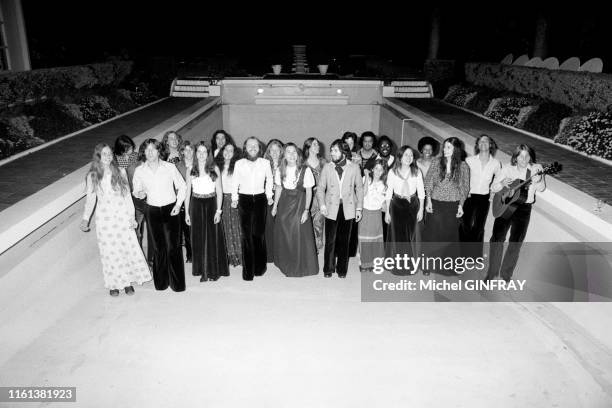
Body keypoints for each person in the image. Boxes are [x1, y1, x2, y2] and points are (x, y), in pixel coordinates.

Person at [81, 143, 151, 296]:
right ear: (98, 156)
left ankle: (126, 282)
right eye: (104, 154)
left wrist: (131, 217)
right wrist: (85, 219)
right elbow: (90, 199)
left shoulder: (120, 171)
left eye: (109, 154)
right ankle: (114, 283)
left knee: (125, 248)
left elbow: (127, 196)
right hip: (105, 220)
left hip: (121, 216)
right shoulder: (92, 176)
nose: (107, 156)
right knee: (110, 251)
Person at [132, 139, 187, 292]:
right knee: (158, 247)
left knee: (173, 247)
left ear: (159, 151)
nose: (150, 152)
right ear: (144, 152)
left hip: (171, 209)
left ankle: (177, 284)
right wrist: (140, 193)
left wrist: (178, 205)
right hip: (152, 210)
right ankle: (161, 283)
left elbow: (182, 186)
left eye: (153, 149)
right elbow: (137, 190)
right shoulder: (140, 170)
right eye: (147, 150)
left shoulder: (169, 167)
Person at [485, 144, 546, 282]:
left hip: (523, 209)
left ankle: (506, 274)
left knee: (516, 242)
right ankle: (492, 272)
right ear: (515, 157)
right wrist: (501, 183)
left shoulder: (536, 170)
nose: (524, 159)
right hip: (505, 206)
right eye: (520, 156)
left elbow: (541, 188)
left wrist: (539, 178)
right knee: (497, 239)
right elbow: (493, 187)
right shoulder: (507, 168)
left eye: (527, 155)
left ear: (531, 157)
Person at [317, 139, 364, 278]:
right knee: (330, 240)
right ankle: (328, 268)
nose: (332, 153)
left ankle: (342, 269)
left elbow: (359, 188)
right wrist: (322, 205)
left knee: (345, 240)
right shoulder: (327, 167)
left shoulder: (354, 167)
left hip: (348, 207)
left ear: (344, 152)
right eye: (331, 150)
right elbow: (320, 188)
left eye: (335, 150)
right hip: (331, 207)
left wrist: (359, 208)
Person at [423, 137, 469, 274]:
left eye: (448, 147)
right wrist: (429, 201)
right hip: (436, 202)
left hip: (452, 205)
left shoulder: (463, 166)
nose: (445, 150)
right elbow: (428, 182)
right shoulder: (436, 162)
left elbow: (464, 187)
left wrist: (461, 205)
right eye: (444, 147)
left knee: (449, 236)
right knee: (432, 235)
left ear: (455, 149)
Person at [271, 143, 319, 277]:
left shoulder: (305, 170)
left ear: (298, 155)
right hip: (285, 204)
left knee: (296, 233)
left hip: (299, 203)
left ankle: (299, 265)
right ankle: (286, 261)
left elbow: (309, 191)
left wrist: (306, 210)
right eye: (288, 152)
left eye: (294, 152)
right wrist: (275, 206)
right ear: (284, 155)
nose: (291, 155)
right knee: (285, 234)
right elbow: (279, 188)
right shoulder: (280, 170)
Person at [231, 137, 274, 281]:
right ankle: (248, 271)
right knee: (246, 235)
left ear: (259, 148)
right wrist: (234, 198)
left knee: (258, 234)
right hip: (244, 199)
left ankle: (259, 268)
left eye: (255, 145)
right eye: (250, 145)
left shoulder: (265, 163)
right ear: (245, 148)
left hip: (261, 199)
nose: (253, 147)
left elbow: (270, 180)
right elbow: (235, 181)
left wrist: (269, 195)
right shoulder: (239, 163)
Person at [185, 142, 229, 281]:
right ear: (195, 153)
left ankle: (213, 270)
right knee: (198, 238)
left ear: (208, 154)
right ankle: (201, 269)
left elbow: (219, 190)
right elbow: (187, 192)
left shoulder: (214, 168)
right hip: (196, 205)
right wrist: (186, 212)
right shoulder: (191, 168)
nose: (202, 154)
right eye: (199, 151)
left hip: (211, 204)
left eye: (204, 152)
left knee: (212, 238)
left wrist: (218, 211)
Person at [384, 147, 425, 275]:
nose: (409, 157)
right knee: (398, 236)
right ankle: (398, 266)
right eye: (406, 155)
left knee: (411, 236)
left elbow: (421, 192)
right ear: (400, 157)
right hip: (397, 205)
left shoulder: (417, 172)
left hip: (412, 205)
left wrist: (421, 210)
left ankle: (410, 265)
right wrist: (387, 211)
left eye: (411, 155)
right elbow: (389, 192)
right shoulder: (393, 172)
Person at [460, 135, 501, 258]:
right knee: (465, 225)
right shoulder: (469, 160)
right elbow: (462, 178)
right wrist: (464, 192)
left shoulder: (496, 163)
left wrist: (492, 194)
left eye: (486, 141)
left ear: (490, 145)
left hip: (484, 197)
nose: (483, 143)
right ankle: (462, 254)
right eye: (480, 141)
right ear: (477, 145)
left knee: (478, 227)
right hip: (469, 196)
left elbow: (498, 181)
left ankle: (474, 256)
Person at [358, 159, 387, 272]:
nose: (378, 171)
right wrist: (365, 176)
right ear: (372, 169)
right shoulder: (365, 179)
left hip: (376, 213)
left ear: (384, 171)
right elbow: (363, 193)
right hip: (365, 212)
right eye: (376, 169)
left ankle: (376, 262)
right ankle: (365, 264)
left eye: (381, 169)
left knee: (376, 239)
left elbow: (383, 202)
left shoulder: (384, 185)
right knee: (365, 239)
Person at [218, 141, 243, 267]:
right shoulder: (217, 167)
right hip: (221, 199)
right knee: (225, 228)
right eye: (225, 150)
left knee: (237, 227)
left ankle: (240, 255)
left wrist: (237, 199)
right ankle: (229, 256)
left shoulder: (238, 167)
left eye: (231, 151)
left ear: (234, 154)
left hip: (234, 199)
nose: (227, 152)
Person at [303, 137, 326, 253]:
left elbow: (329, 179)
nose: (317, 146)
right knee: (307, 223)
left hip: (321, 198)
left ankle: (316, 245)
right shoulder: (303, 163)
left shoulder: (323, 162)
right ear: (308, 147)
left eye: (318, 144)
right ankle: (308, 246)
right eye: (314, 144)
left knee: (319, 222)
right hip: (308, 197)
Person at [264, 139, 284, 263]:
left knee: (281, 227)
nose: (275, 152)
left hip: (283, 198)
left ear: (281, 151)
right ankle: (270, 254)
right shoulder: (263, 164)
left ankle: (281, 254)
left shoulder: (286, 164)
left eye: (277, 149)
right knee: (269, 226)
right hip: (268, 199)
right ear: (269, 151)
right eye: (272, 149)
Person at [175, 141, 195, 264]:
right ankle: (190, 254)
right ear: (182, 152)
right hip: (183, 200)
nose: (188, 152)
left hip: (197, 198)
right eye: (185, 150)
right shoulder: (177, 166)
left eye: (190, 149)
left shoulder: (199, 163)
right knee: (186, 229)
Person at [377, 135, 395, 241]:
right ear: (378, 148)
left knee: (391, 225)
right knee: (380, 225)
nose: (385, 148)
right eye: (382, 145)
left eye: (388, 146)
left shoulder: (397, 161)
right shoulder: (373, 162)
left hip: (393, 198)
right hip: (378, 199)